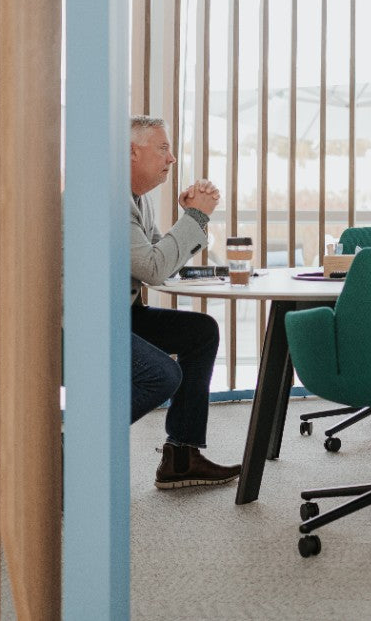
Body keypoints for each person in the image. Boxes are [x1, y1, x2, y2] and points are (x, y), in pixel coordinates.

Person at [129, 115, 241, 490]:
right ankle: (75, 445)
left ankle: (181, 457)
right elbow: (155, 269)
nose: (171, 158)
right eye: (163, 148)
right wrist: (195, 216)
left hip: (120, 313)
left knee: (200, 332)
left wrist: (190, 217)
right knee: (162, 374)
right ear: (132, 151)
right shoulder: (108, 197)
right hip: (84, 323)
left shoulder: (135, 200)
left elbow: (162, 258)